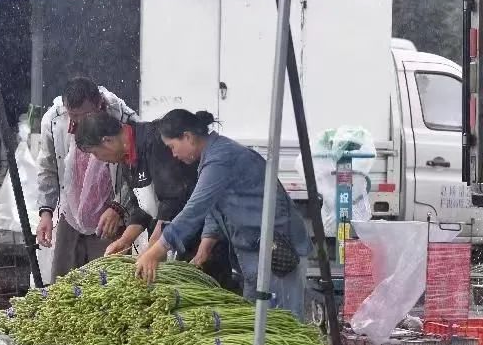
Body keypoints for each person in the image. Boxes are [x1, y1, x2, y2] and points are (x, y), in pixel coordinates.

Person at [133, 110, 312, 319]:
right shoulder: (212, 156)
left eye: (172, 147)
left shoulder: (220, 159)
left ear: (188, 137)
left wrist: (155, 251)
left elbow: (195, 209)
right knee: (256, 325)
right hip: (254, 253)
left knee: (283, 325)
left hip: (279, 252)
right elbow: (214, 205)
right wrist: (205, 247)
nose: (173, 155)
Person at [73, 111, 236, 290]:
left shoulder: (155, 142)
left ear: (107, 141)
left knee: (209, 290)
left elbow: (173, 200)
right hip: (171, 239)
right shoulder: (126, 157)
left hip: (199, 235)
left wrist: (153, 250)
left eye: (96, 153)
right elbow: (142, 204)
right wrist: (126, 240)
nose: (100, 160)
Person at [35, 77, 138, 283]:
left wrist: (119, 206)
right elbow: (48, 168)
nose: (80, 122)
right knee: (63, 282)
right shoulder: (55, 119)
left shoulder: (123, 118)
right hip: (71, 213)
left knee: (106, 283)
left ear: (99, 103)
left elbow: (134, 170)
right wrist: (46, 212)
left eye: (86, 115)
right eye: (74, 116)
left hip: (110, 214)